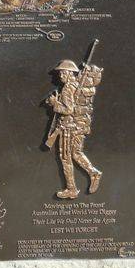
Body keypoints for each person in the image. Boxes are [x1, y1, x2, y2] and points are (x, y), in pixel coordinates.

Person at [46, 59, 102, 199]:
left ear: (68, 73)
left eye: (61, 73)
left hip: (68, 128)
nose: (60, 76)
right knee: (76, 153)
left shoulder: (67, 88)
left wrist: (54, 103)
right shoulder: (77, 85)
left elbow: (68, 109)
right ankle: (93, 172)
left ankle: (71, 189)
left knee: (65, 157)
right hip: (80, 125)